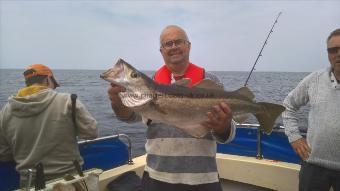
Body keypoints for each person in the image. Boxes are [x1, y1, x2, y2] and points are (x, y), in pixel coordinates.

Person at [107, 25, 235, 191]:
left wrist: (223, 127)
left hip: (203, 179)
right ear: (161, 51)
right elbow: (130, 117)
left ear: (188, 46)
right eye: (168, 44)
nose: (173, 47)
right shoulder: (149, 83)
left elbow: (229, 133)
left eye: (178, 42)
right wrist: (117, 102)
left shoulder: (211, 82)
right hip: (156, 177)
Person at [0, 64, 98, 187]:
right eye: (54, 84)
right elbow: (92, 132)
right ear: (47, 79)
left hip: (30, 183)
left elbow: (4, 154)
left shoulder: (5, 111)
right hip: (69, 181)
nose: (54, 89)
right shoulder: (68, 101)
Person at [282, 28, 340, 191]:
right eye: (333, 50)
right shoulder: (314, 80)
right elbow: (288, 106)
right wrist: (294, 137)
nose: (338, 53)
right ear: (328, 53)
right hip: (313, 167)